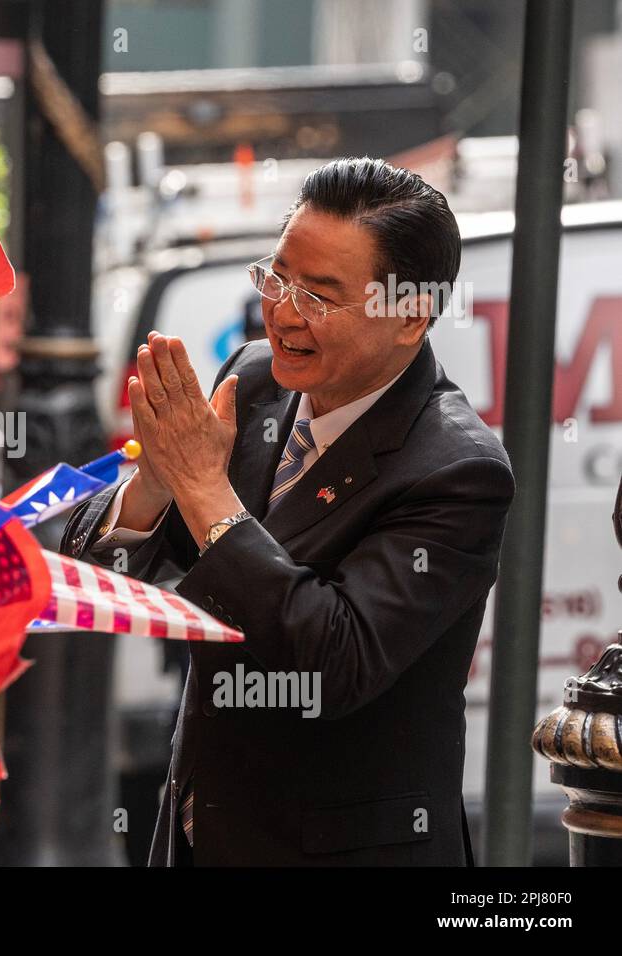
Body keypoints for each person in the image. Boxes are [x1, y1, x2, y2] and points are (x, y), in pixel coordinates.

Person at [64, 158, 515, 866]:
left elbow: (332, 662)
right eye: (277, 278)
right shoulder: (250, 382)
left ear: (410, 316)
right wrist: (156, 482)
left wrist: (205, 491)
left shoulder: (456, 468)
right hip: (197, 832)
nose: (283, 312)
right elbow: (109, 567)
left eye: (321, 296)